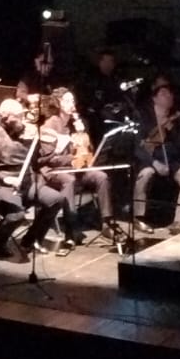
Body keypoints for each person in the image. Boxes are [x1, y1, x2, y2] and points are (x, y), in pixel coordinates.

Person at [0, 98, 67, 260]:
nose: (23, 121)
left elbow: (36, 161)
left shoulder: (25, 136)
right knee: (17, 215)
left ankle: (29, 240)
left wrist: (55, 151)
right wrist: (5, 179)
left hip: (26, 184)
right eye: (18, 117)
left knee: (56, 200)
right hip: (2, 188)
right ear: (6, 118)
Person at [38, 88, 120, 251]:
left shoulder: (77, 123)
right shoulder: (50, 124)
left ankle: (107, 222)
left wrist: (83, 133)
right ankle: (71, 229)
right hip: (56, 170)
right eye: (67, 101)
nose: (71, 104)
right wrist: (72, 159)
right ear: (58, 103)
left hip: (76, 168)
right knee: (69, 181)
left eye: (72, 101)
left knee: (101, 176)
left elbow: (87, 150)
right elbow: (49, 159)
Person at [133, 83, 180, 233]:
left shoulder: (176, 121)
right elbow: (138, 147)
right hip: (149, 160)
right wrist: (155, 163)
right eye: (164, 94)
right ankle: (139, 217)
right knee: (145, 175)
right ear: (154, 99)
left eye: (170, 94)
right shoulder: (144, 119)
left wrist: (172, 131)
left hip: (172, 160)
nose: (169, 96)